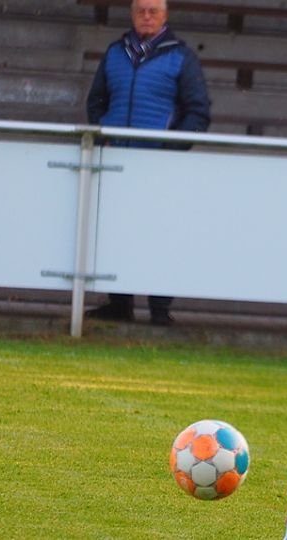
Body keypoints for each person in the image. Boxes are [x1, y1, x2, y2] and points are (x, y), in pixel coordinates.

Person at [85, 0, 210, 326]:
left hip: (159, 166)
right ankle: (119, 304)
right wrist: (104, 136)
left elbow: (198, 112)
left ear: (165, 16)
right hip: (117, 161)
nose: (146, 16)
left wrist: (169, 149)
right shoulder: (115, 53)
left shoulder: (181, 57)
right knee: (115, 232)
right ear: (132, 14)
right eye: (140, 10)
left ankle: (159, 309)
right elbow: (96, 102)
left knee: (160, 233)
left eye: (153, 10)